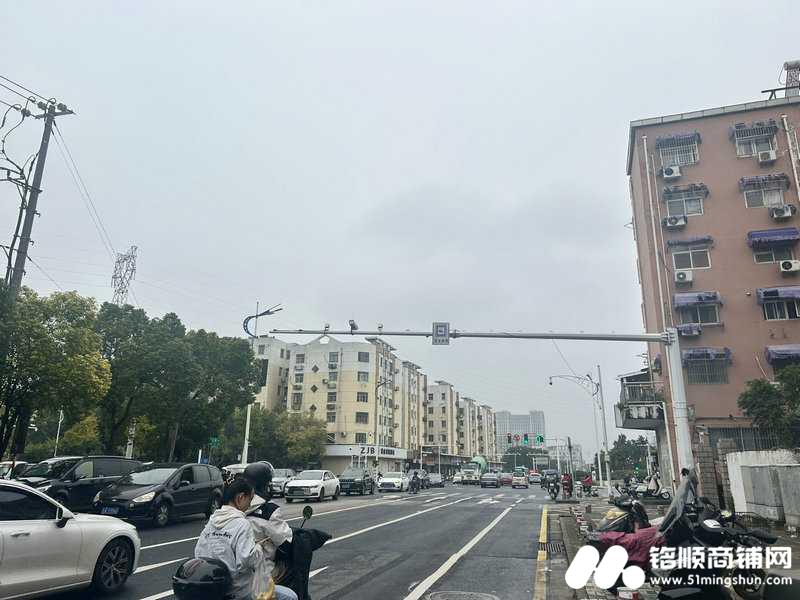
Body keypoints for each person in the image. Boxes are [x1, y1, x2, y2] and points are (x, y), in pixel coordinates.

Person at [193, 474, 297, 600]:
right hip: (239, 590)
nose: (249, 504)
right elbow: (246, 560)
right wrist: (258, 548)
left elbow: (198, 553)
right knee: (290, 596)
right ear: (240, 498)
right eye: (250, 499)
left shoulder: (212, 521)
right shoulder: (242, 523)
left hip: (215, 588)